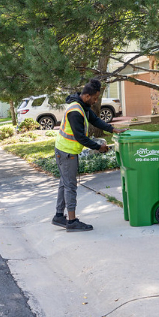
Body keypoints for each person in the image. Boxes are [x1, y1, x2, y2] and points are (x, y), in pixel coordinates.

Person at [52, 78, 127, 232]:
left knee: (64, 183)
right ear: (87, 96)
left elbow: (95, 120)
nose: (95, 101)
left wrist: (112, 129)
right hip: (67, 152)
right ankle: (72, 222)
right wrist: (99, 147)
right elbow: (81, 137)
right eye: (95, 98)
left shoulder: (82, 106)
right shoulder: (76, 111)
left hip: (64, 150)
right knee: (70, 186)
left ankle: (59, 216)